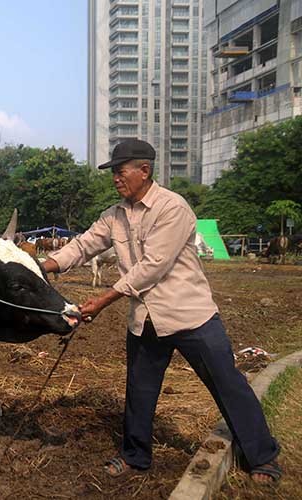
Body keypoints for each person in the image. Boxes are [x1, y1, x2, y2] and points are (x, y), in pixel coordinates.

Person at [41, 139, 282, 483]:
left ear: (144, 170)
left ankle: (263, 456)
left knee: (227, 383)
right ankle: (135, 456)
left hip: (190, 315)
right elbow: (84, 245)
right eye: (114, 173)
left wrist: (103, 299)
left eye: (121, 171)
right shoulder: (114, 215)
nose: (116, 179)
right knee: (139, 390)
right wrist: (43, 267)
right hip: (146, 320)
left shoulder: (173, 208)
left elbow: (154, 266)